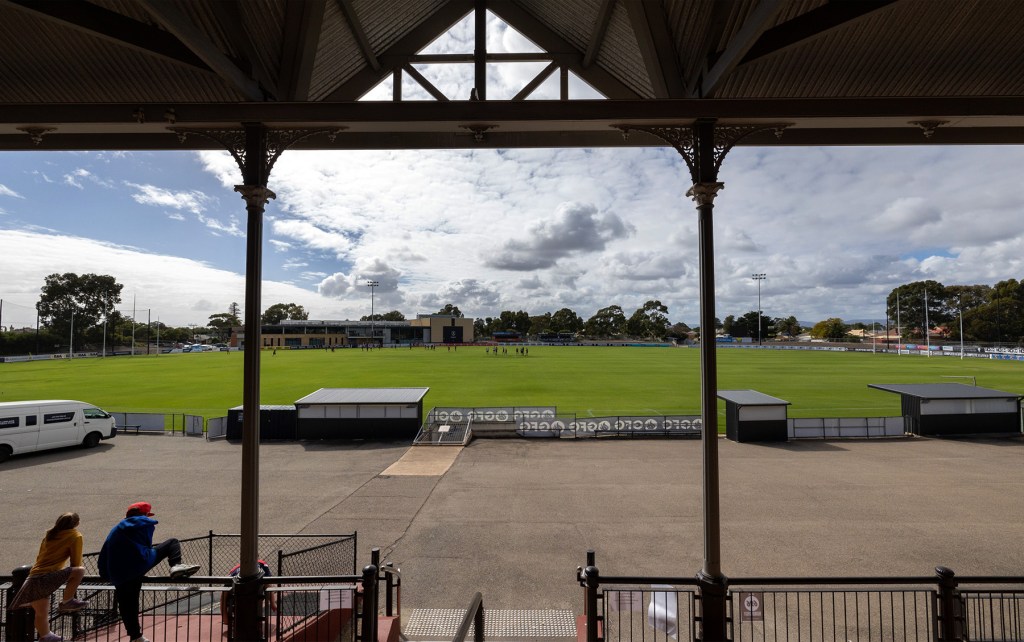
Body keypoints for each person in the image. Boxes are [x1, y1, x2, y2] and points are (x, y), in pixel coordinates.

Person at [98, 502, 201, 642]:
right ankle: (176, 565)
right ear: (145, 514)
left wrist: (104, 573)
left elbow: (105, 552)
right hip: (139, 564)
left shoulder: (115, 529)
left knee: (127, 604)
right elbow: (146, 544)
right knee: (172, 542)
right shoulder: (146, 523)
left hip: (118, 573)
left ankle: (136, 636)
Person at [9, 512, 89, 642]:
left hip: (33, 577)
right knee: (79, 571)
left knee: (41, 613)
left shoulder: (49, 535)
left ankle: (45, 635)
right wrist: (70, 575)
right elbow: (76, 562)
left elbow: (40, 557)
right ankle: (67, 601)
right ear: (76, 523)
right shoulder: (75, 535)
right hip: (46, 576)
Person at [219, 559, 277, 626]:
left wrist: (272, 602)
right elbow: (224, 594)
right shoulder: (235, 571)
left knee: (263, 583)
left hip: (254, 594)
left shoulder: (262, 565)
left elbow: (267, 583)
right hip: (238, 596)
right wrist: (224, 616)